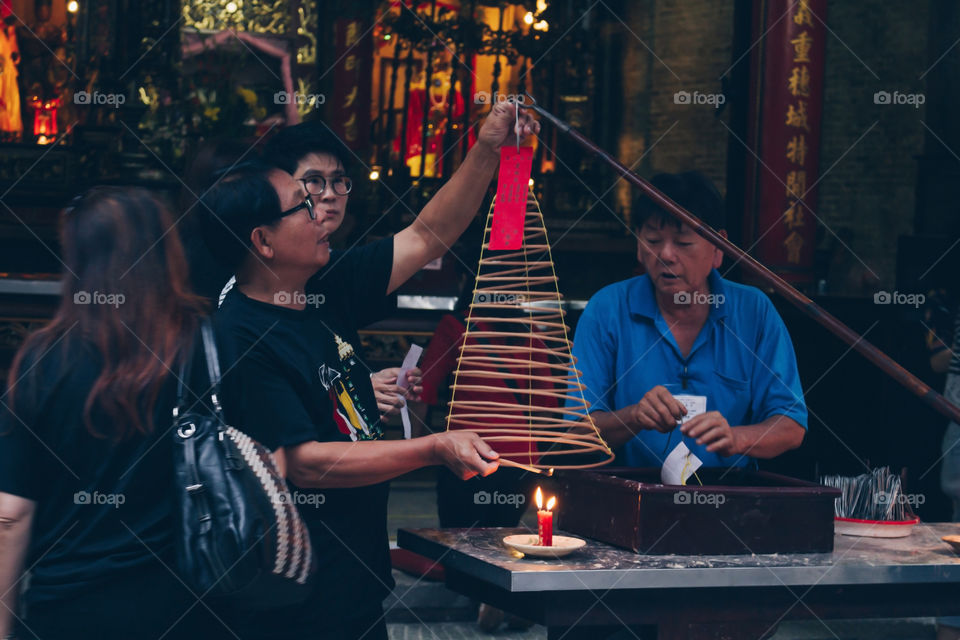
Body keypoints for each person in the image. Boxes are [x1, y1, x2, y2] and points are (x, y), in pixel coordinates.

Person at [202, 102, 539, 639]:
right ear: (262, 241)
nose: (324, 208)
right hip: (287, 599)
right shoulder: (240, 331)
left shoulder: (320, 286)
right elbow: (306, 462)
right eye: (305, 200)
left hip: (352, 583)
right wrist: (432, 448)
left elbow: (429, 234)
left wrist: (486, 149)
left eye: (336, 185)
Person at [0, 188, 228, 640]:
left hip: (65, 608)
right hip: (182, 607)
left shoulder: (43, 359)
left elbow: (10, 515)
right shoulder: (204, 347)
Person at [572, 171, 807, 469]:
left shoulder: (754, 311)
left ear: (718, 248)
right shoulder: (607, 309)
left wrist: (736, 439)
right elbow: (577, 429)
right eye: (653, 240)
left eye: (683, 243)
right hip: (631, 495)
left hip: (732, 499)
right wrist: (633, 416)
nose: (666, 255)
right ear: (638, 245)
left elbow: (791, 425)